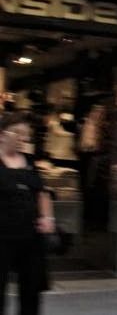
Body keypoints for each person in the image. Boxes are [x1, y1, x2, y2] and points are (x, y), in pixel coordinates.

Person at [1, 112, 55, 315]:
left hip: (30, 238)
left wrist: (47, 217)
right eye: (19, 134)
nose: (24, 140)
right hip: (2, 236)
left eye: (26, 136)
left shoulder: (30, 162)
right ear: (3, 134)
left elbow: (42, 193)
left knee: (31, 291)